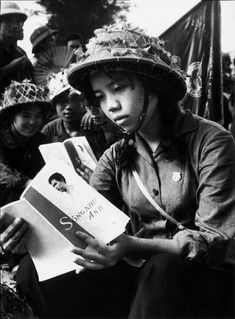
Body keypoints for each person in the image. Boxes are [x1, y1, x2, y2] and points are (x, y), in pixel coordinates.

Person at [1, 23, 235, 319]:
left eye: (119, 88)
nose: (110, 106)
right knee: (33, 271)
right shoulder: (115, 155)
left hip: (203, 283)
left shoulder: (210, 141)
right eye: (100, 96)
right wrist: (30, 235)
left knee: (162, 267)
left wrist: (131, 246)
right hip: (141, 283)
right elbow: (85, 219)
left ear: (152, 85)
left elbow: (215, 243)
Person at [0, 80, 51, 207]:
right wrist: (26, 182)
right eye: (26, 116)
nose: (33, 122)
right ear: (12, 116)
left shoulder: (40, 140)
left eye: (38, 116)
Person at [42, 70, 107, 160]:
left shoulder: (94, 121)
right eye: (62, 102)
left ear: (82, 101)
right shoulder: (49, 130)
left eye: (74, 100)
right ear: (54, 105)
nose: (69, 106)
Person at [0, 2, 34, 96]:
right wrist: (10, 68)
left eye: (18, 22)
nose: (14, 26)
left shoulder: (21, 53)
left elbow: (33, 80)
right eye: (9, 21)